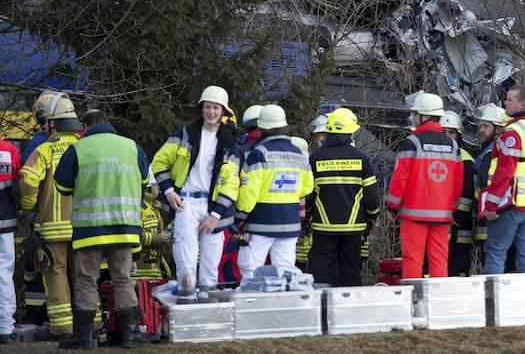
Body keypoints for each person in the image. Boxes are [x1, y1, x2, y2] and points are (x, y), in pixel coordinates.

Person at [54, 110, 150, 349]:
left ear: (84, 126)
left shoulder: (79, 148)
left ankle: (84, 337)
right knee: (123, 279)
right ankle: (130, 334)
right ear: (108, 122)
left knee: (86, 280)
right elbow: (144, 181)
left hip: (90, 229)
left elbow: (61, 186)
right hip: (124, 228)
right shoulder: (131, 147)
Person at [150, 85, 239, 294]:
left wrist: (216, 215)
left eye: (216, 108)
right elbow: (158, 162)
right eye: (208, 107)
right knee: (185, 258)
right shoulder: (185, 134)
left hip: (214, 207)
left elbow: (232, 183)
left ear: (223, 111)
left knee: (211, 262)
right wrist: (169, 191)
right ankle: (186, 297)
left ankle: (208, 302)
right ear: (202, 108)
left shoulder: (230, 142)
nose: (211, 112)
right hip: (185, 203)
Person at [18, 93, 82, 337]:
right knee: (84, 277)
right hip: (83, 228)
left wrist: (29, 208)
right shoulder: (84, 147)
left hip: (53, 229)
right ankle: (92, 323)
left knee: (55, 277)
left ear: (54, 123)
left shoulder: (44, 150)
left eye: (45, 121)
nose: (43, 126)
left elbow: (27, 180)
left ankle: (63, 327)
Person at [386, 92, 463, 279]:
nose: (413, 117)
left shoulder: (411, 143)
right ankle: (437, 301)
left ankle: (413, 301)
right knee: (439, 260)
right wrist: (451, 208)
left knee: (412, 259)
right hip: (442, 215)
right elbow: (457, 183)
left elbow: (399, 179)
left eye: (415, 114)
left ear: (425, 115)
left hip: (413, 213)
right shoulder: (453, 146)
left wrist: (392, 207)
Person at [480, 85, 525, 274]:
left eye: (509, 99)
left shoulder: (514, 131)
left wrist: (491, 205)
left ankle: (492, 300)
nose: (505, 102)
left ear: (522, 104)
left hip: (512, 201)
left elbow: (505, 170)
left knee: (496, 251)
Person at [236, 104, 314, 276]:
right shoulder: (299, 154)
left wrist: (239, 217)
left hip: (260, 223)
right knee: (286, 273)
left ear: (262, 128)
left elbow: (249, 193)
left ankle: (252, 303)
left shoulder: (259, 153)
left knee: (249, 269)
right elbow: (308, 187)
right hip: (290, 222)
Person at [306, 108, 379, 286]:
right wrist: (372, 216)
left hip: (323, 227)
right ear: (349, 132)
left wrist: (305, 217)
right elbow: (371, 195)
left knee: (322, 273)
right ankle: (349, 308)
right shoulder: (361, 158)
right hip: (353, 228)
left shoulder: (315, 158)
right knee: (350, 271)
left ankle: (322, 310)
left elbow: (307, 193)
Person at [440, 111, 476, 276]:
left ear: (458, 135)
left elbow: (467, 196)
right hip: (438, 226)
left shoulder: (465, 159)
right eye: (443, 132)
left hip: (459, 231)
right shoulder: (433, 156)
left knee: (457, 275)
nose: (447, 136)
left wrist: (454, 222)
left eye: (451, 132)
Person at [472, 104, 507, 253]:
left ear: (498, 129)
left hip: (491, 215)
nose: (481, 130)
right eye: (480, 126)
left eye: (486, 126)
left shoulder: (492, 152)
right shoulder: (488, 151)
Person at [0, 136, 21, 343]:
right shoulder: (8, 149)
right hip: (4, 219)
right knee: (4, 273)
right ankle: (5, 327)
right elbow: (17, 178)